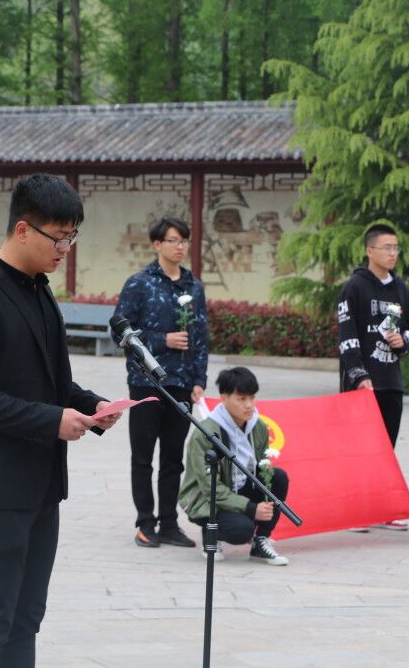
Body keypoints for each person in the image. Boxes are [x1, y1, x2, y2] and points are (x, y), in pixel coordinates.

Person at [0, 174, 123, 667]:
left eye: (72, 237)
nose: (66, 249)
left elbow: (51, 380)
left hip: (41, 486)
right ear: (22, 230)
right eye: (58, 238)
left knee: (26, 619)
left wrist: (93, 407)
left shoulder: (40, 291)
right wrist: (50, 421)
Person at [113, 217, 208, 549]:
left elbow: (201, 337)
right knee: (143, 457)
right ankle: (145, 522)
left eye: (183, 240)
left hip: (181, 384)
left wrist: (199, 379)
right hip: (146, 383)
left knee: (173, 458)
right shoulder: (139, 284)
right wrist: (161, 339)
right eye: (173, 240)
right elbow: (120, 332)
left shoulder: (193, 287)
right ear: (157, 244)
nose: (180, 247)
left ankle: (169, 522)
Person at [337, 223, 409, 531]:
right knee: (358, 448)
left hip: (391, 380)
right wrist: (358, 375)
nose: (393, 253)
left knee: (386, 448)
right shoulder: (354, 288)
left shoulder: (402, 289)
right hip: (362, 383)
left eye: (396, 248)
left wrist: (402, 341)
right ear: (370, 251)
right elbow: (347, 335)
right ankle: (353, 510)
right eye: (387, 248)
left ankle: (381, 509)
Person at [178, 367, 290, 565]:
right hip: (206, 498)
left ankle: (261, 542)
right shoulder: (206, 434)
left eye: (252, 398)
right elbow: (209, 487)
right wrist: (251, 508)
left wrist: (262, 501)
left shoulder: (258, 426)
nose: (249, 405)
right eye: (241, 399)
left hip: (239, 487)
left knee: (277, 477)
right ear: (224, 397)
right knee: (242, 530)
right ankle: (210, 532)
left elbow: (262, 469)